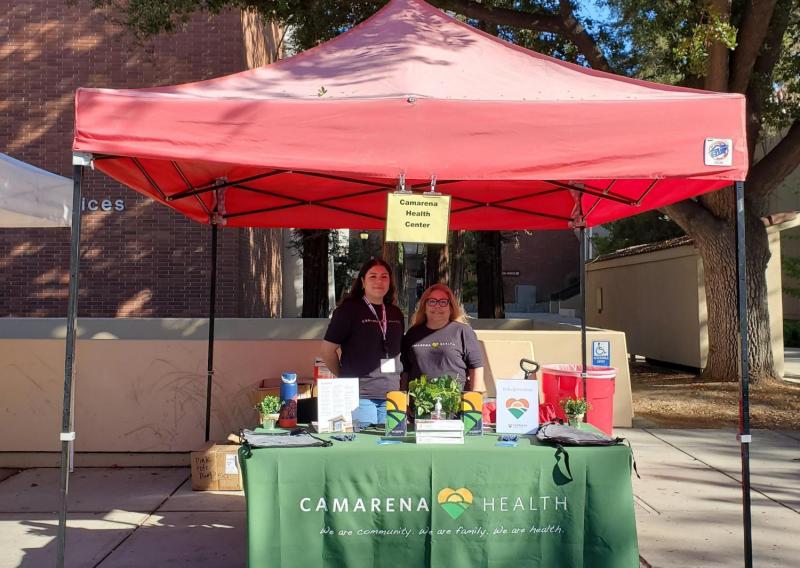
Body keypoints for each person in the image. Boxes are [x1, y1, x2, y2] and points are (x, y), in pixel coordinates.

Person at [320, 258, 404, 426]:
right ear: (362, 281)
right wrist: (344, 377)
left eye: (384, 277)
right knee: (368, 447)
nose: (379, 281)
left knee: (392, 446)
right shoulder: (348, 310)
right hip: (360, 395)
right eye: (373, 276)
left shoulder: (395, 313)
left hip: (392, 394)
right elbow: (327, 350)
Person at [401, 283, 485, 393]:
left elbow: (476, 367)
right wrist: (402, 400)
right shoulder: (413, 334)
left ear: (451, 307)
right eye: (432, 301)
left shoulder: (463, 331)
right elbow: (405, 370)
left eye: (443, 302)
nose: (437, 306)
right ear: (424, 306)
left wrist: (474, 399)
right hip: (420, 404)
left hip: (455, 404)